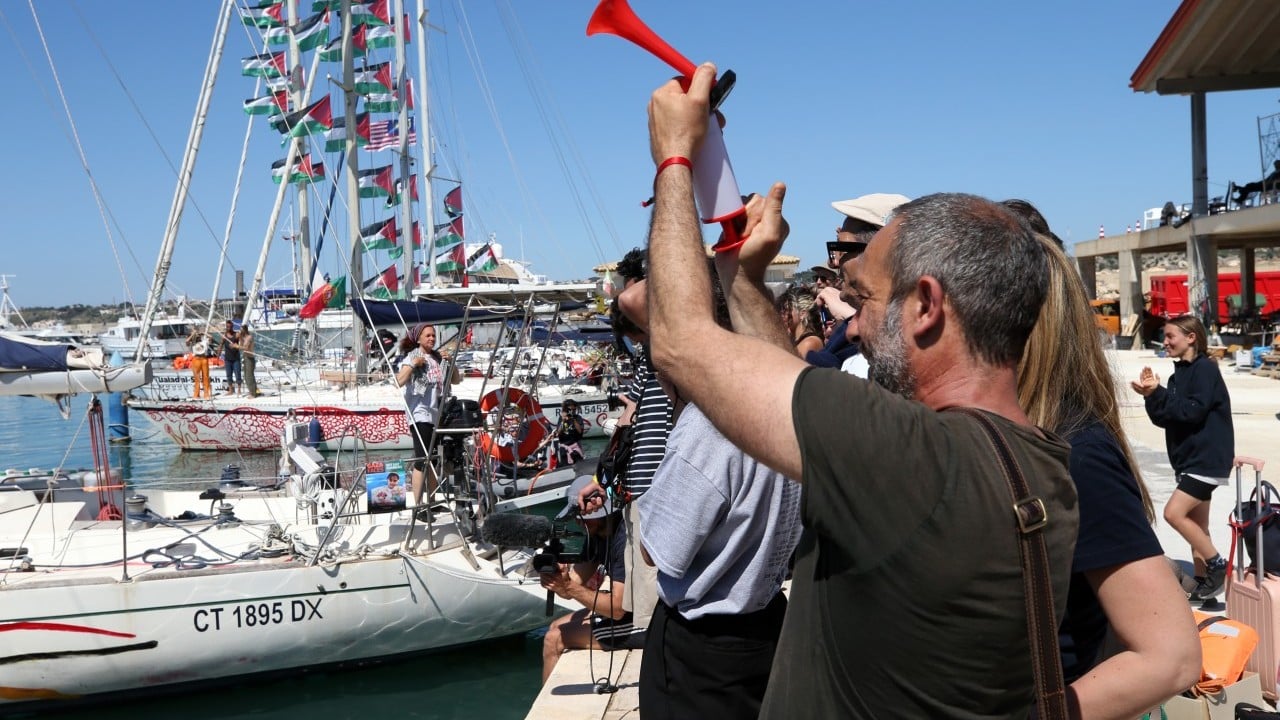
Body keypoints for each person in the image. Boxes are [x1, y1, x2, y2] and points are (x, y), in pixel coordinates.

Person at [643, 62, 1078, 717]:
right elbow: (783, 384)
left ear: (927, 306)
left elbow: (678, 339)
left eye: (865, 298)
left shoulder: (904, 454)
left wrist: (674, 159)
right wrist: (740, 272)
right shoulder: (1042, 468)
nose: (854, 320)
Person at [1020, 233, 1200, 717]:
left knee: (1181, 514)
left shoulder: (1074, 451)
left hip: (1200, 462)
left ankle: (1210, 569)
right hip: (1187, 459)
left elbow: (1171, 657)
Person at [636, 277, 803, 718]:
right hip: (764, 625)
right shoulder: (787, 402)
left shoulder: (709, 426)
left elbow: (658, 551)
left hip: (703, 646)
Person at [1131, 314, 1235, 603]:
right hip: (1188, 460)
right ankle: (1205, 585)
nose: (1165, 342)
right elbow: (1165, 418)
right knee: (1196, 526)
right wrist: (1151, 396)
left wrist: (1160, 393)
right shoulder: (1178, 376)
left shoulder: (1205, 370)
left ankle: (1216, 565)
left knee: (1174, 514)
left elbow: (1193, 411)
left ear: (1191, 338)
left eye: (1170, 336)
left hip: (1206, 460)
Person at [541, 476, 643, 684]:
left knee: (553, 639)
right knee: (555, 626)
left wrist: (568, 587)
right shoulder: (596, 534)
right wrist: (557, 579)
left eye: (583, 515)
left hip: (644, 621)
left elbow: (617, 608)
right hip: (625, 613)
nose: (579, 521)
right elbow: (574, 583)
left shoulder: (625, 539)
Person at [395, 323, 461, 507]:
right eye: (428, 336)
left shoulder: (437, 357)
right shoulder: (412, 356)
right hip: (420, 414)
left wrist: (452, 363)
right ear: (418, 339)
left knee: (433, 460)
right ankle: (418, 504)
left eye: (433, 336)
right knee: (422, 459)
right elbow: (398, 381)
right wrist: (413, 366)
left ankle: (431, 501)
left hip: (436, 414)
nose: (432, 339)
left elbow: (455, 380)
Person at [775, 285, 824, 357]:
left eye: (786, 310)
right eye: (781, 311)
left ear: (802, 314)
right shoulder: (795, 341)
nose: (782, 315)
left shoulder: (810, 343)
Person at [555, 399, 587, 466]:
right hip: (564, 448)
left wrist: (573, 419)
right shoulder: (561, 418)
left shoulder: (578, 418)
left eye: (574, 410)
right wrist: (563, 421)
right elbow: (558, 433)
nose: (572, 411)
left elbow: (580, 431)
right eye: (570, 410)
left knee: (579, 465)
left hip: (575, 446)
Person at [186, 326, 213, 399]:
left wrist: (203, 333)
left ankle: (206, 394)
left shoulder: (204, 341)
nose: (197, 336)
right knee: (197, 378)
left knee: (206, 377)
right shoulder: (193, 342)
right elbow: (187, 342)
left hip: (204, 358)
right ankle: (196, 394)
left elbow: (211, 337)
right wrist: (192, 334)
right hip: (196, 359)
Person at [219, 320, 242, 396]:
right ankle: (231, 390)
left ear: (232, 327)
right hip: (228, 359)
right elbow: (221, 345)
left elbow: (241, 344)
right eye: (228, 327)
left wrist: (236, 346)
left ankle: (239, 390)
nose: (229, 328)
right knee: (229, 375)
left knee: (237, 374)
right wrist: (218, 354)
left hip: (236, 358)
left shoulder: (237, 335)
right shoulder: (224, 336)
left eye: (230, 327)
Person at [239, 323, 260, 397]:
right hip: (245, 357)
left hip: (250, 358)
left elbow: (245, 347)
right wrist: (240, 338)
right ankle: (254, 391)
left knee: (249, 376)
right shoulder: (243, 338)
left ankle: (253, 393)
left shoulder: (249, 337)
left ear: (245, 330)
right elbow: (241, 345)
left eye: (241, 330)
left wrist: (235, 346)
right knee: (246, 376)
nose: (240, 331)